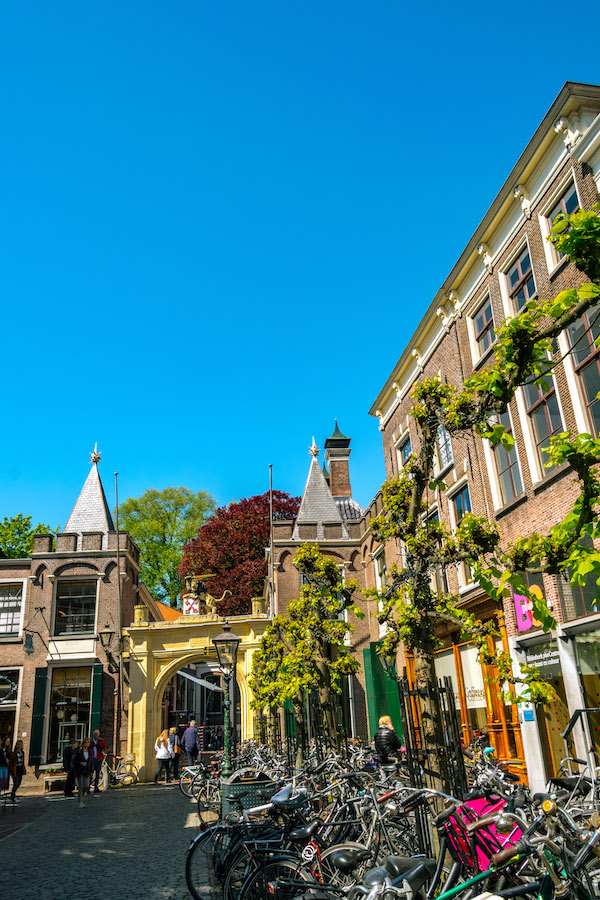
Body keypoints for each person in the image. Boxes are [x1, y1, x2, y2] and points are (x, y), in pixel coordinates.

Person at [73, 737, 93, 808]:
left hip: (87, 770)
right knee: (81, 786)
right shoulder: (79, 751)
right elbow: (75, 761)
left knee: (86, 786)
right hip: (80, 770)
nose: (86, 744)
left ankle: (81, 796)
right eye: (85, 743)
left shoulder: (90, 751)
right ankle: (80, 802)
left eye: (88, 743)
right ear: (83, 743)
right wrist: (80, 763)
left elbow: (91, 762)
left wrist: (91, 771)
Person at [8, 739, 26, 805]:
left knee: (19, 783)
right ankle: (12, 796)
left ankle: (12, 795)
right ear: (16, 745)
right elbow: (11, 762)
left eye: (21, 744)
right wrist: (11, 770)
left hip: (20, 769)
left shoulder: (22, 752)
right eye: (18, 744)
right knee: (16, 782)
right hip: (15, 769)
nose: (19, 746)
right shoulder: (13, 753)